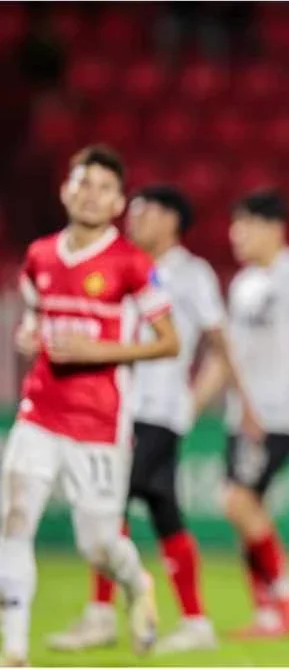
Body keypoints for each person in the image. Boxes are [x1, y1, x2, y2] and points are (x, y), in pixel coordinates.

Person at [45, 185, 263, 653]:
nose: (133, 218)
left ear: (170, 219)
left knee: (108, 503)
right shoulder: (123, 264)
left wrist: (206, 401)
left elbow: (218, 343)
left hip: (157, 413)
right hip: (120, 407)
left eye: (144, 211)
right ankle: (196, 622)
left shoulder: (191, 273)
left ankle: (103, 613)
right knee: (165, 511)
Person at [0, 146, 180, 665]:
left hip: (100, 423)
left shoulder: (132, 264)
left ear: (118, 201)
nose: (91, 194)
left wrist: (102, 351)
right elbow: (35, 317)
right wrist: (29, 335)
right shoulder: (39, 256)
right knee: (15, 517)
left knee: (97, 546)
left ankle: (136, 581)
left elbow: (169, 341)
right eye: (83, 183)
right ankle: (14, 648)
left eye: (104, 187)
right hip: (39, 410)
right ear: (65, 190)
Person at [192, 189, 289, 638]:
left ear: (273, 227)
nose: (236, 234)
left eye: (244, 225)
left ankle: (286, 593)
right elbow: (226, 356)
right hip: (243, 416)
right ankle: (268, 612)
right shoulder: (243, 284)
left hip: (280, 414)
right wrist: (191, 404)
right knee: (246, 512)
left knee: (237, 502)